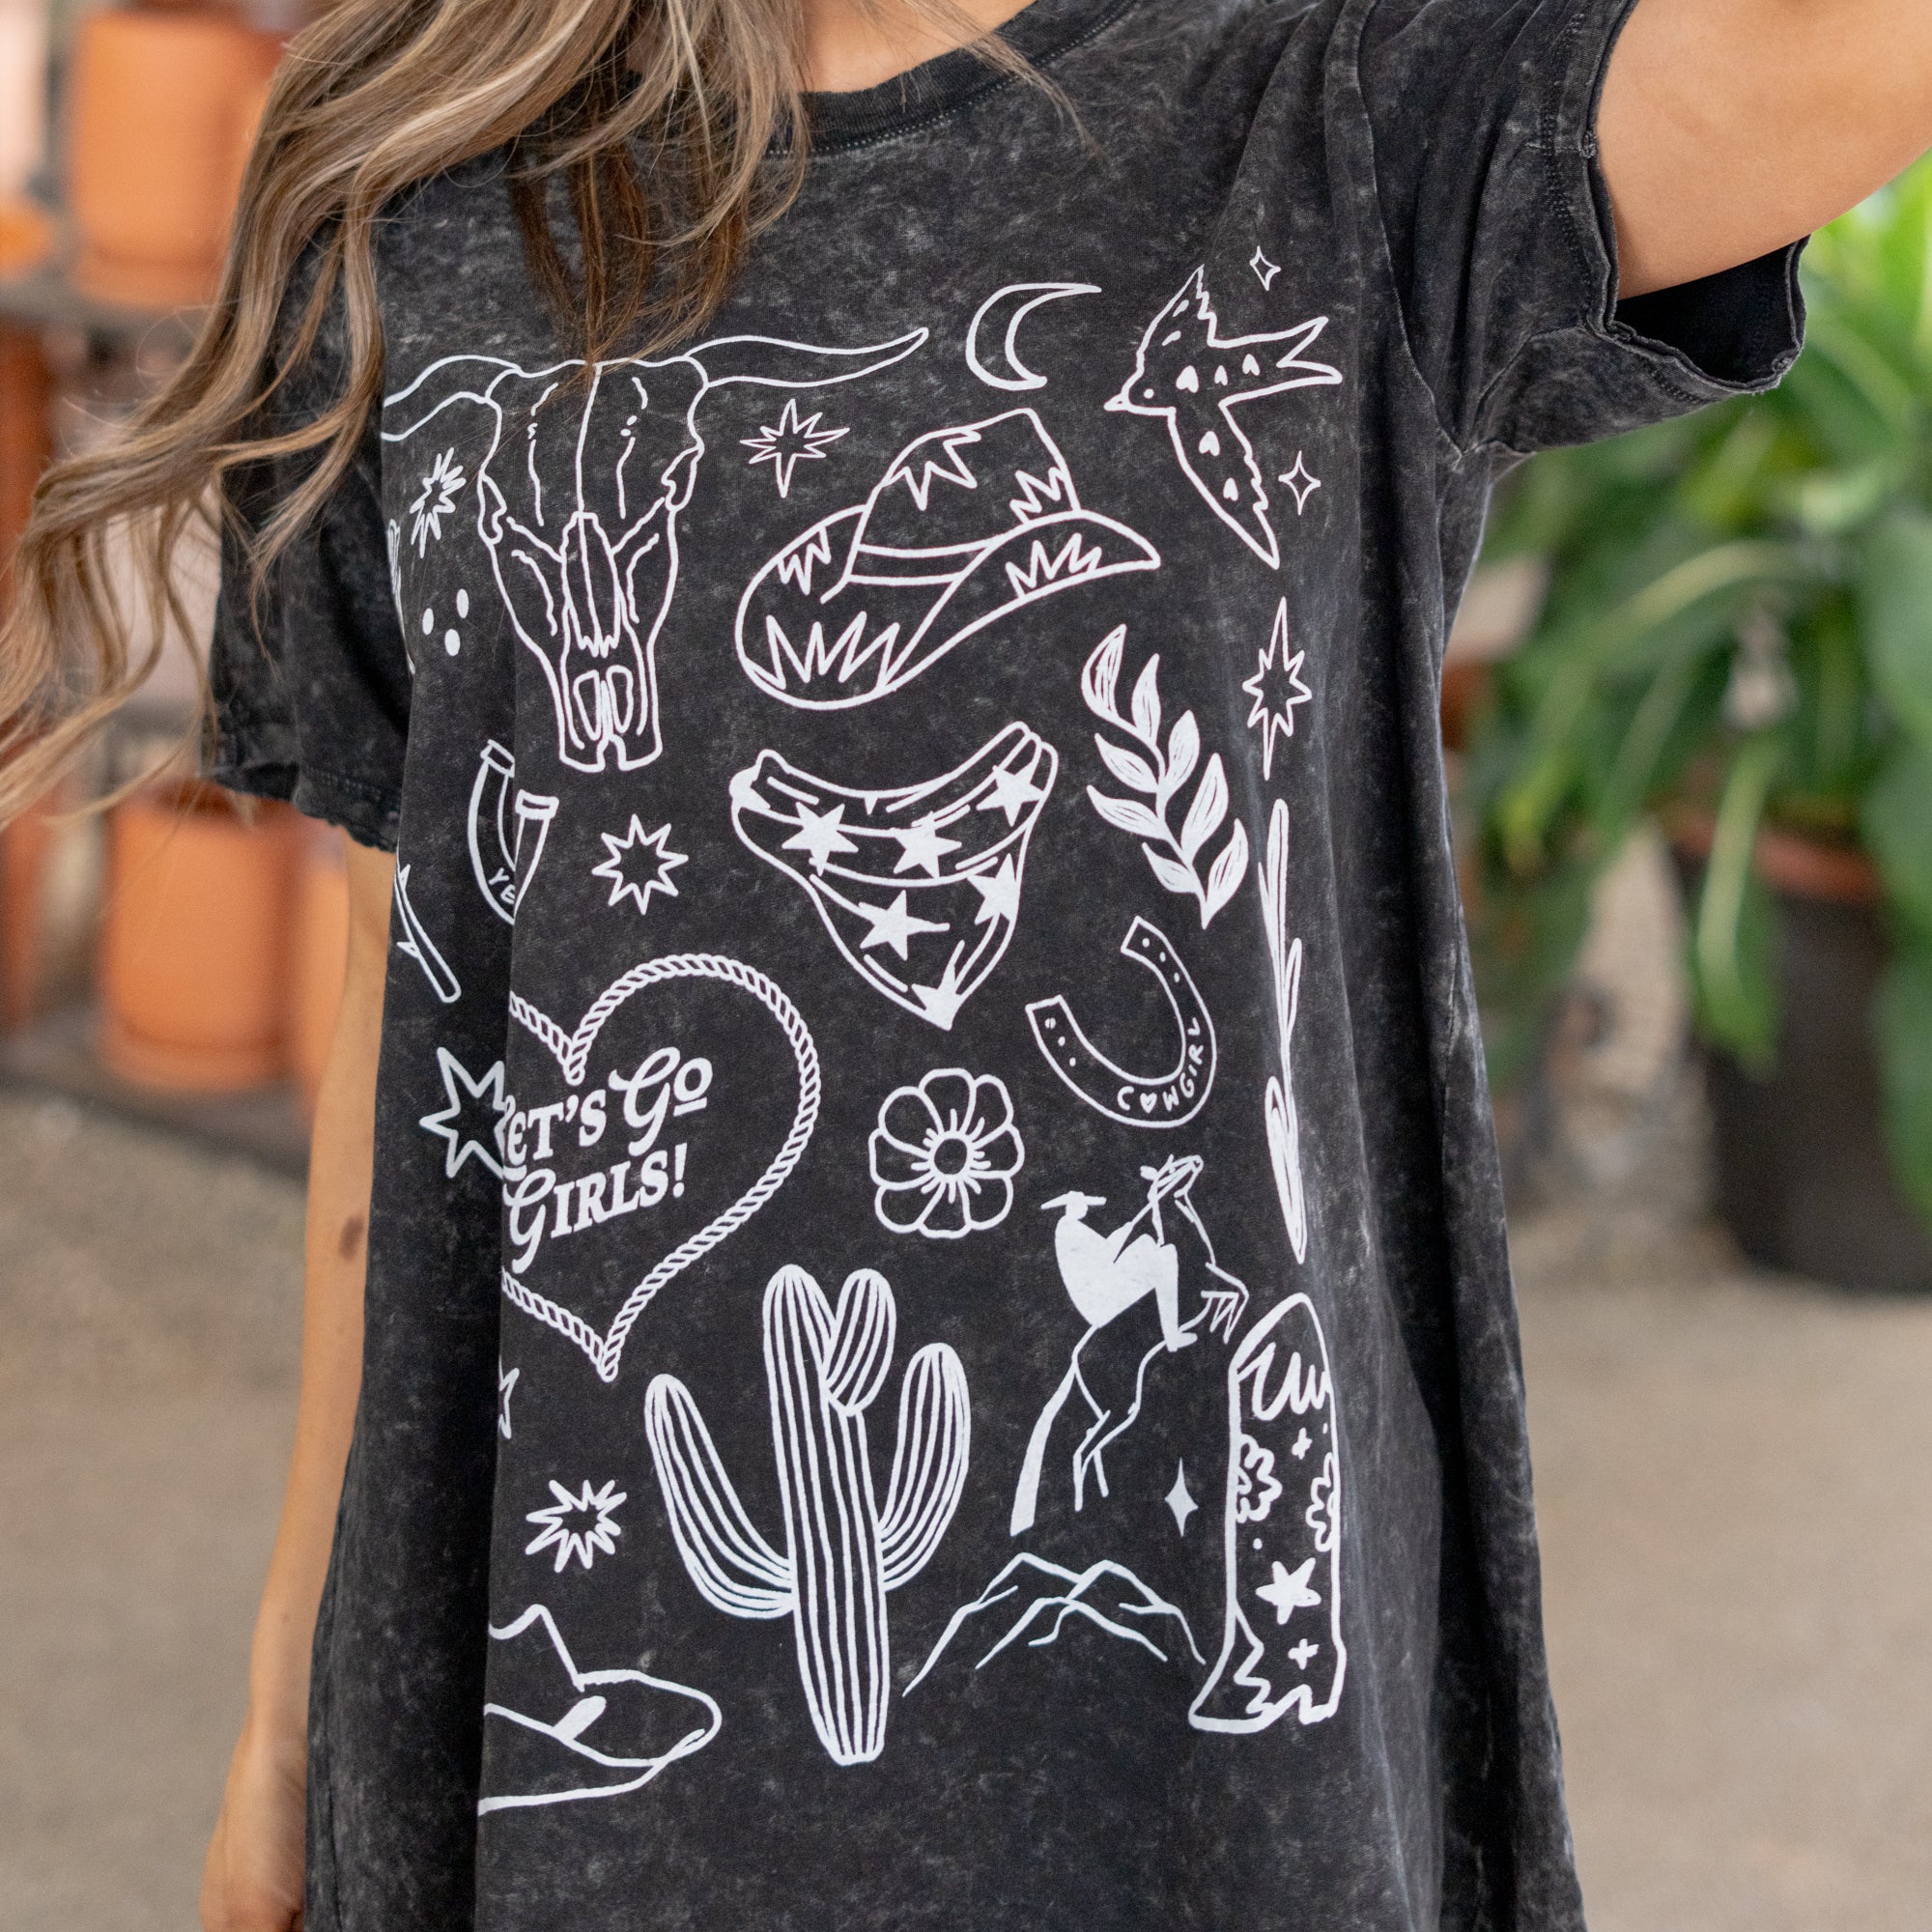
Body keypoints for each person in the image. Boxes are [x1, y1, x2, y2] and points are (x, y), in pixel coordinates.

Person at [1, 0, 1926, 1925]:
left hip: (1209, 1800)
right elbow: (410, 1012)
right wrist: (286, 1706)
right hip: (568, 1799)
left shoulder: (1347, 94)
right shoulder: (419, 165)